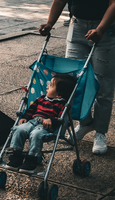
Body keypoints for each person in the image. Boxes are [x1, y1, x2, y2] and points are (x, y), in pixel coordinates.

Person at [39, 0, 115, 155]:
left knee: (103, 85)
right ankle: (86, 122)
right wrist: (49, 24)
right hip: (77, 28)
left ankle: (100, 133)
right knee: (72, 83)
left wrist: (100, 29)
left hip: (105, 30)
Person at [6, 74, 77, 174]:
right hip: (32, 121)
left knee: (36, 134)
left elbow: (62, 118)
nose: (47, 87)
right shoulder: (41, 99)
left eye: (51, 86)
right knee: (18, 129)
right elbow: (31, 109)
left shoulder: (62, 104)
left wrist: (52, 120)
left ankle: (31, 160)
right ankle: (16, 156)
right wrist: (25, 117)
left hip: (45, 127)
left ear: (58, 95)